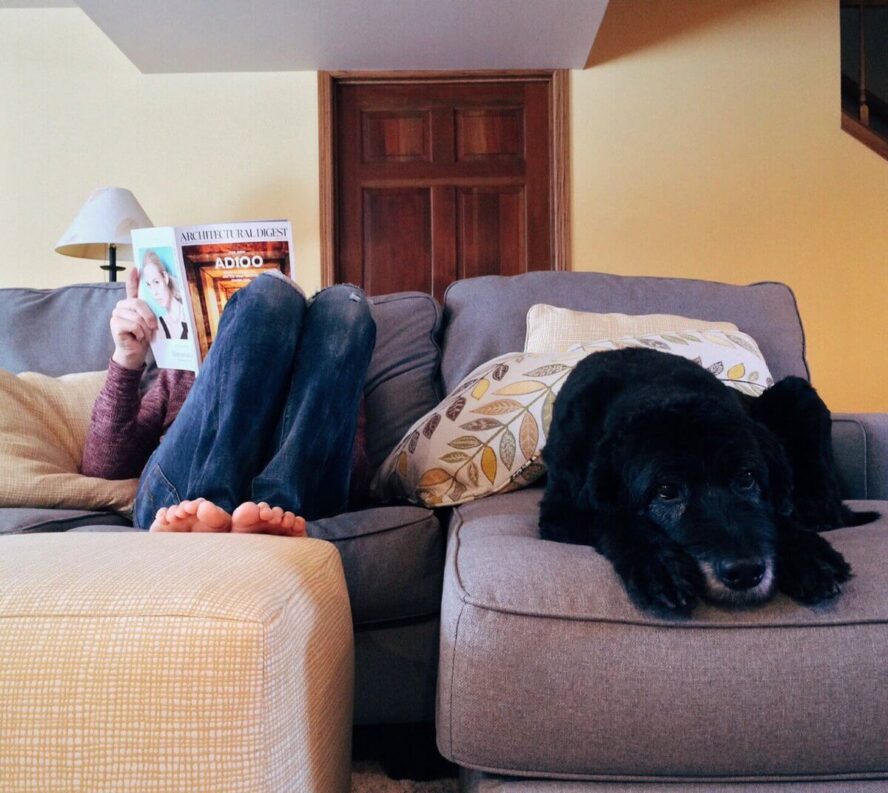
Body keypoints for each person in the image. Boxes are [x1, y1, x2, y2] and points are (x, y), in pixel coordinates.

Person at [81, 268, 376, 536]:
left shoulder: (331, 357)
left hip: (297, 499)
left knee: (347, 305)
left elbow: (356, 477)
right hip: (178, 500)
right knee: (271, 294)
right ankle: (208, 504)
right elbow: (104, 467)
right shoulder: (182, 369)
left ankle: (272, 510)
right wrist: (127, 357)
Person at [141, 250, 189, 340]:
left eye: (156, 282)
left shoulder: (188, 313)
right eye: (149, 285)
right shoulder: (159, 324)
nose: (154, 292)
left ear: (165, 277)